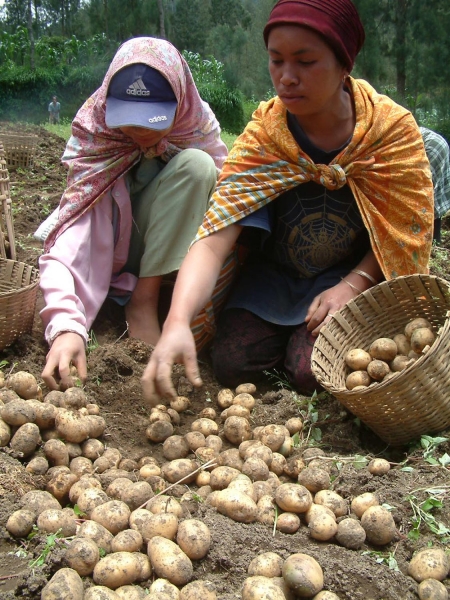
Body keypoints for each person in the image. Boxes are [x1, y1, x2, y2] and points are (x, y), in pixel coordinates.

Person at [142, 0, 434, 406]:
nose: (287, 77)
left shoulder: (389, 134)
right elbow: (214, 239)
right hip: (273, 279)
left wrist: (352, 285)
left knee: (311, 370)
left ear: (344, 64)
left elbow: (402, 237)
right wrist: (176, 320)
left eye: (306, 61)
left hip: (350, 277)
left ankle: (302, 344)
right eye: (276, 61)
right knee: (230, 361)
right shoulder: (266, 137)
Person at [38, 37, 228, 391]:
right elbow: (68, 243)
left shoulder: (196, 129)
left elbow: (227, 211)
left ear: (180, 104)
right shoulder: (98, 141)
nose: (139, 131)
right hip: (111, 252)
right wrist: (66, 326)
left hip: (175, 252)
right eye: (128, 119)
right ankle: (129, 301)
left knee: (199, 168)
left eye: (152, 119)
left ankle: (145, 299)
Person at [419, 126, 450, 244]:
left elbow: (422, 191)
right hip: (427, 143)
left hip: (433, 147)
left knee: (425, 196)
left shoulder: (430, 148)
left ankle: (432, 243)